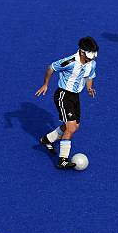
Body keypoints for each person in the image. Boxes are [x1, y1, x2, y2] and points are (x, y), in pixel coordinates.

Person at [35, 37, 98, 169]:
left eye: (94, 53)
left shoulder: (91, 63)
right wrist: (45, 84)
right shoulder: (70, 62)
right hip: (63, 95)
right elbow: (51, 67)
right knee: (70, 128)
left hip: (75, 97)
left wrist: (89, 88)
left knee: (75, 126)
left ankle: (47, 139)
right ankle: (62, 160)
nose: (93, 56)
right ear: (82, 51)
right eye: (91, 52)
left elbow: (90, 76)